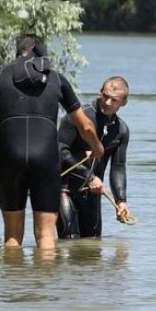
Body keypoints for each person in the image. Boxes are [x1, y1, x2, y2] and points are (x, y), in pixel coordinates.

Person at [0, 34, 104, 250]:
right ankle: (42, 284)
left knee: (12, 237)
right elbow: (85, 127)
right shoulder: (57, 79)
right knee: (46, 236)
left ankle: (14, 284)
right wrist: (97, 147)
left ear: (18, 52)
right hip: (46, 159)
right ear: (43, 54)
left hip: (11, 159)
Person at [57, 75, 131, 238]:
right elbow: (60, 151)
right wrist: (89, 177)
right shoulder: (78, 117)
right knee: (70, 242)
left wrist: (121, 200)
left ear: (123, 103)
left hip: (93, 193)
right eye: (105, 96)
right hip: (64, 188)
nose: (108, 102)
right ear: (100, 92)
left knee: (92, 245)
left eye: (114, 100)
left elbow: (118, 168)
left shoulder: (121, 131)